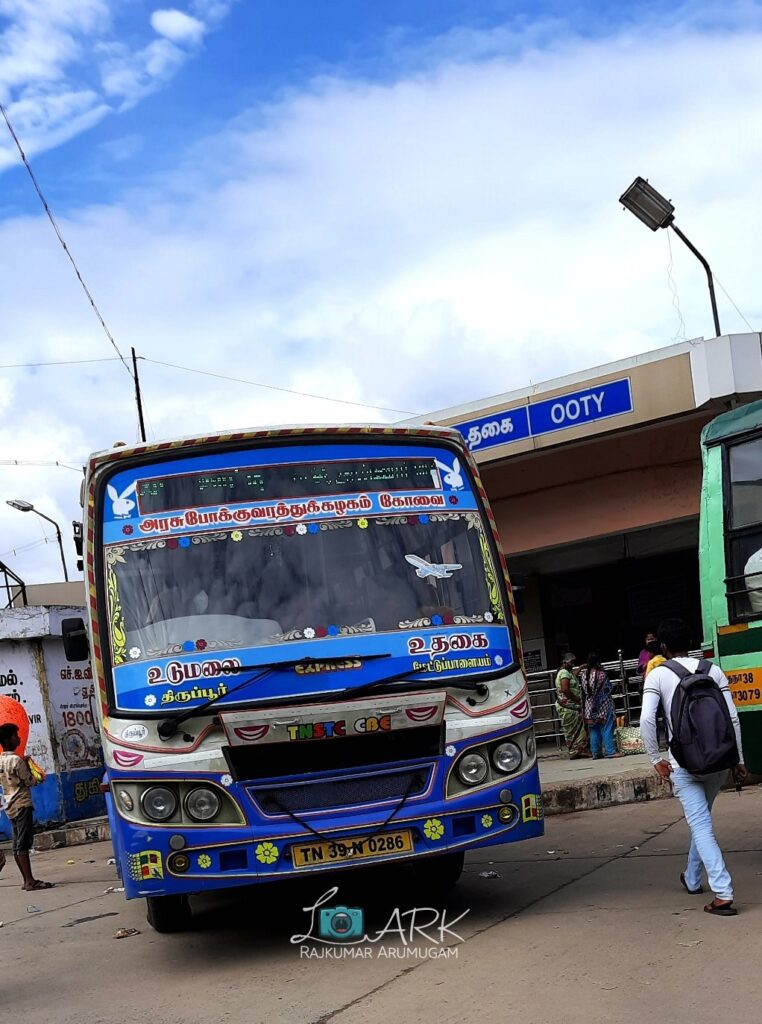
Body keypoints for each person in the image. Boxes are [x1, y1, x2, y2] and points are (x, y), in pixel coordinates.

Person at [640, 618, 746, 917]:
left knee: (700, 825)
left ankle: (723, 893)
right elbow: (733, 717)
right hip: (719, 760)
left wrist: (654, 758)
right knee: (702, 822)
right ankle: (692, 877)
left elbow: (647, 720)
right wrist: (738, 760)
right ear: (693, 642)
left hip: (683, 763)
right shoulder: (713, 670)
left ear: (663, 647)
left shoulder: (658, 674)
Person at [0, 723, 53, 891]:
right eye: (15, 735)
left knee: (17, 843)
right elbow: (29, 780)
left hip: (9, 804)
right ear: (8, 740)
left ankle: (26, 880)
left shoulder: (2, 759)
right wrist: (36, 773)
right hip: (22, 803)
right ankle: (29, 881)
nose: (19, 738)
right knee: (23, 843)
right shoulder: (16, 760)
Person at [580, 652, 622, 759]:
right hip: (603, 704)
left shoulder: (584, 675)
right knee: (607, 727)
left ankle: (596, 752)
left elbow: (585, 692)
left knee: (594, 729)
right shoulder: (601, 674)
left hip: (590, 705)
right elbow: (608, 689)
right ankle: (610, 751)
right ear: (598, 662)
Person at [554, 653, 589, 759]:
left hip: (568, 706)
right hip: (570, 707)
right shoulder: (564, 673)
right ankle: (578, 750)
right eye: (571, 662)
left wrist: (581, 667)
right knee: (576, 729)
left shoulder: (566, 673)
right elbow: (565, 689)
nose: (573, 664)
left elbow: (573, 674)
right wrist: (577, 700)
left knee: (572, 729)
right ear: (565, 662)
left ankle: (574, 750)